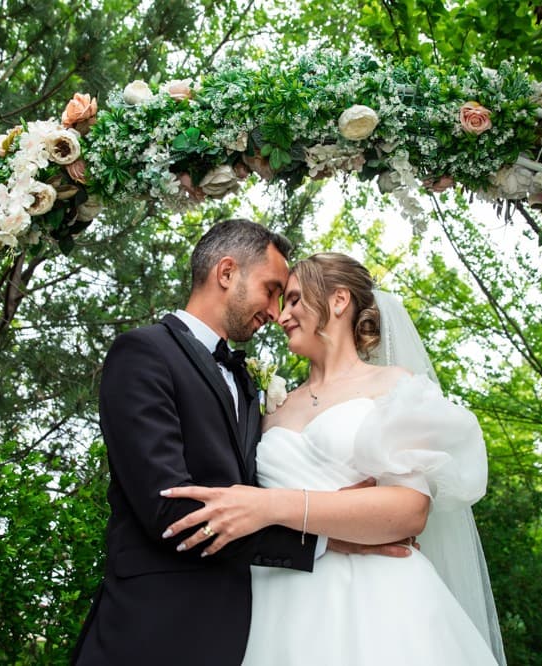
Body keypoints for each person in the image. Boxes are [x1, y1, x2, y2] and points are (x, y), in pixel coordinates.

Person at [70, 224, 408, 666]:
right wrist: (324, 539)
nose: (275, 311)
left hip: (251, 625)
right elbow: (173, 513)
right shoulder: (143, 353)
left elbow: (251, 489)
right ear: (226, 272)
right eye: (271, 291)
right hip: (155, 627)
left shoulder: (249, 384)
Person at [161, 252, 507, 665]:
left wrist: (272, 505)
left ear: (339, 301)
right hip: (275, 599)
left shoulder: (394, 387)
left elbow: (410, 511)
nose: (280, 314)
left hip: (380, 603)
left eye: (292, 300)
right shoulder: (271, 407)